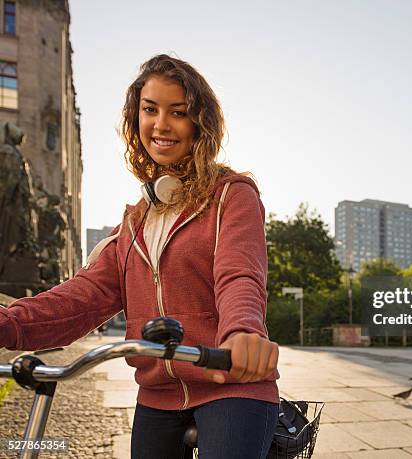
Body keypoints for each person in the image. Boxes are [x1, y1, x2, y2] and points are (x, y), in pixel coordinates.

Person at [0, 54, 280, 459]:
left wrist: (242, 334)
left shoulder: (232, 195)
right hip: (158, 395)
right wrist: (8, 324)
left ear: (200, 123)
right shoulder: (133, 224)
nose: (161, 124)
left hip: (231, 383)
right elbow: (82, 297)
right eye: (150, 110)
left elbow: (239, 276)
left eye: (178, 112)